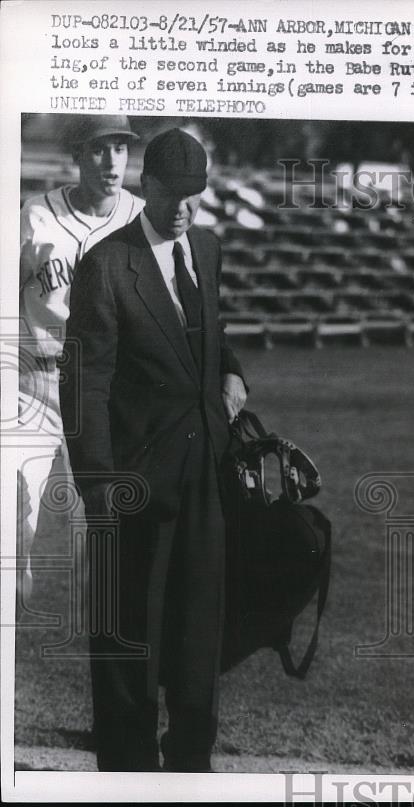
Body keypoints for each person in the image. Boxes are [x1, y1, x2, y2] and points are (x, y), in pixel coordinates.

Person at [61, 128, 248, 772]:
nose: (181, 210)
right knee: (127, 631)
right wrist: (99, 487)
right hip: (132, 481)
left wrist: (232, 370)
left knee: (200, 629)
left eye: (194, 197)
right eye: (170, 195)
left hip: (204, 476)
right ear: (147, 186)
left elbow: (210, 329)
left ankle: (192, 758)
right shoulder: (108, 264)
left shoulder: (209, 248)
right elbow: (84, 381)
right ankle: (126, 763)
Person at [17, 114, 144, 603]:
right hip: (37, 389)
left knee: (103, 532)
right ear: (76, 155)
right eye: (98, 148)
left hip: (106, 395)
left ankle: (108, 651)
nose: (112, 160)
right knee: (10, 523)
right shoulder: (36, 215)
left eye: (120, 147)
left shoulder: (142, 219)